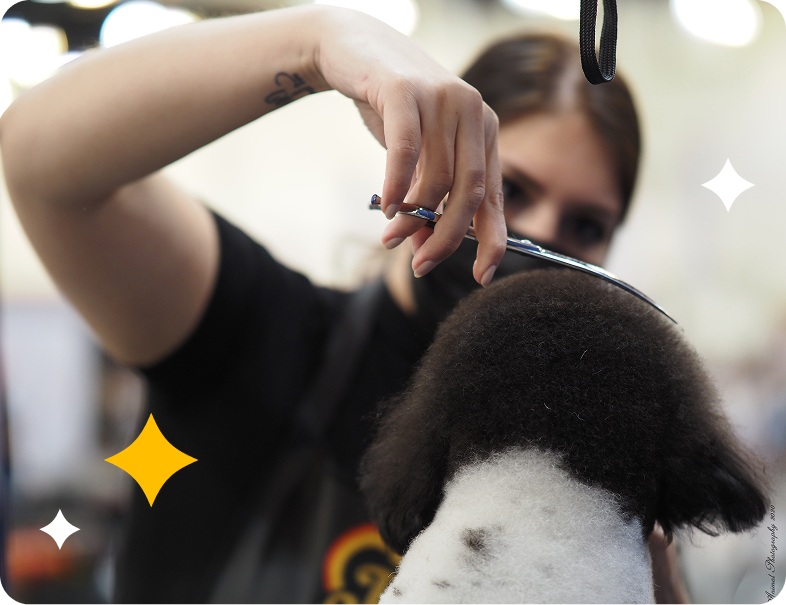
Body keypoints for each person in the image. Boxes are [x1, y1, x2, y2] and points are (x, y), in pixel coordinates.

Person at [0, 4, 689, 605]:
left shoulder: (574, 457)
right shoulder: (256, 333)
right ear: (442, 164)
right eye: (510, 188)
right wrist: (321, 41)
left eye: (587, 227)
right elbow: (36, 159)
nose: (538, 239)